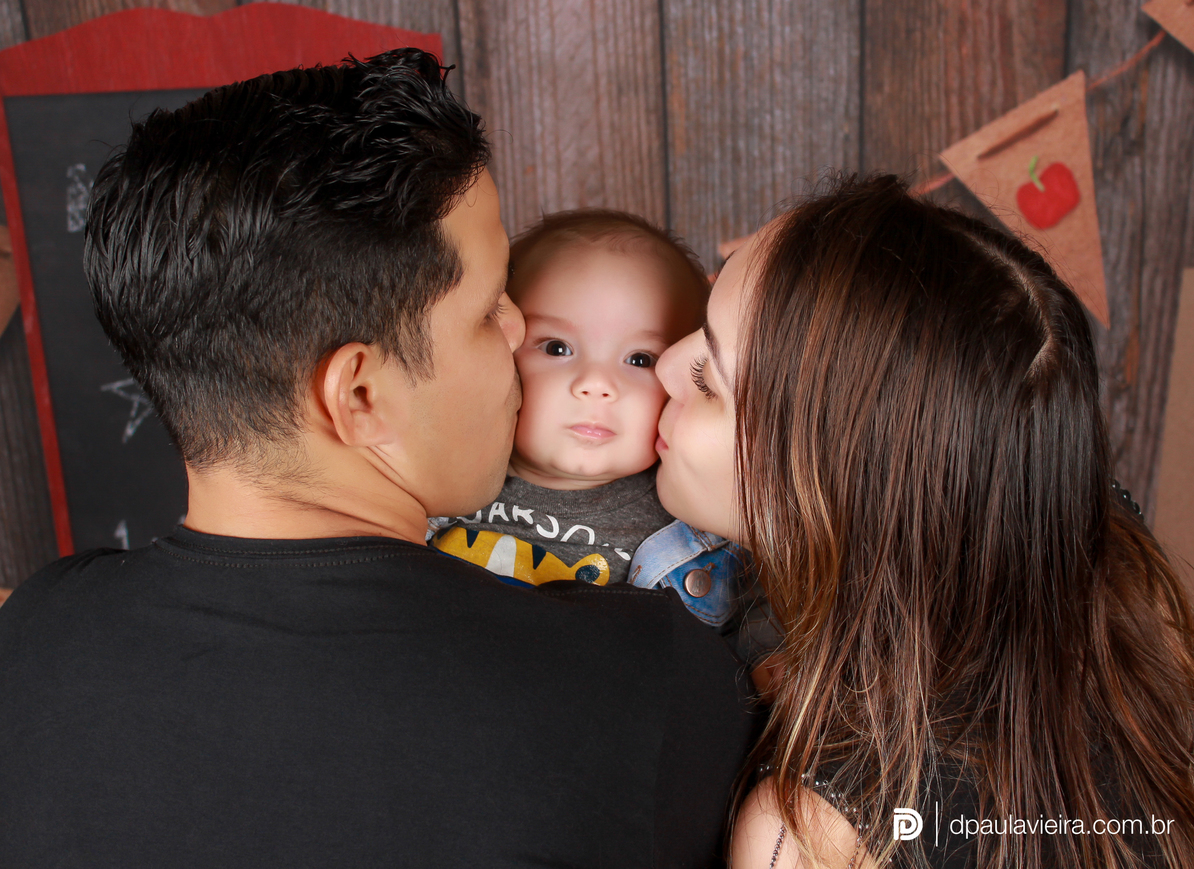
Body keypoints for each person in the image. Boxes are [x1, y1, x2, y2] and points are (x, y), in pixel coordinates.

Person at [0, 49, 758, 867]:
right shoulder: (645, 683)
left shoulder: (33, 640)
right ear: (359, 396)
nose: (516, 330)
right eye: (488, 308)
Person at [652, 174, 1194, 869]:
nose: (667, 365)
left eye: (709, 381)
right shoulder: (1114, 564)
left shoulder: (816, 837)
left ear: (832, 490)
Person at [430, 209, 763, 642]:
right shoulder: (433, 489)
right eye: (557, 347)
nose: (597, 385)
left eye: (641, 359)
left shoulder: (706, 532)